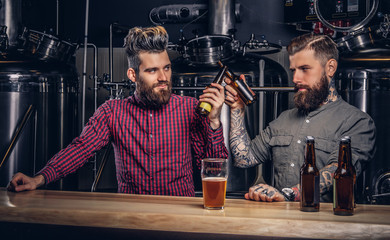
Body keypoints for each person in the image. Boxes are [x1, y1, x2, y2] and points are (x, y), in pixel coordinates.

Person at [8, 26, 228, 196]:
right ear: (133, 75)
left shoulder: (189, 109)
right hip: (131, 215)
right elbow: (81, 149)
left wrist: (215, 122)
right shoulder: (113, 112)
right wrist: (40, 178)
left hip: (180, 214)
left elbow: (213, 166)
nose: (163, 78)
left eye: (166, 68)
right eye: (152, 70)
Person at [225, 33, 376, 202]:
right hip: (282, 222)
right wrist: (237, 109)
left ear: (330, 68)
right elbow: (244, 159)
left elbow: (338, 170)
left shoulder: (357, 122)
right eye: (293, 71)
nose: (295, 79)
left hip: (328, 223)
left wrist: (288, 194)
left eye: (305, 69)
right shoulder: (283, 119)